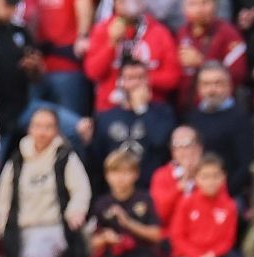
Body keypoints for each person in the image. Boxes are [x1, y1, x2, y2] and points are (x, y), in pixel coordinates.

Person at [0, 108, 91, 257]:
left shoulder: (65, 157)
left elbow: (81, 189)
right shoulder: (16, 160)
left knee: (37, 253)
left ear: (56, 130)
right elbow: (3, 197)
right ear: (29, 129)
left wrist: (76, 211)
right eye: (38, 126)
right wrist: (2, 224)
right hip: (21, 228)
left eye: (48, 127)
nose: (42, 132)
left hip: (53, 226)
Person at [86, 59, 175, 189]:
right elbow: (97, 161)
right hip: (116, 191)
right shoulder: (106, 117)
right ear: (120, 82)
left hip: (150, 188)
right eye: (129, 78)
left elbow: (160, 141)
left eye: (140, 78)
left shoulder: (163, 111)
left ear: (147, 81)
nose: (135, 83)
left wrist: (142, 109)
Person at [83, 0, 180, 112]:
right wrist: (111, 44)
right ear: (114, 3)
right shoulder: (102, 29)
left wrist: (140, 79)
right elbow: (93, 72)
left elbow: (173, 78)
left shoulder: (160, 32)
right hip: (110, 109)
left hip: (152, 108)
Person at [0, 0, 42, 155]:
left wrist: (34, 68)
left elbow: (37, 77)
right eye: (6, 4)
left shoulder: (19, 30)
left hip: (23, 108)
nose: (10, 10)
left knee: (74, 128)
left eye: (13, 6)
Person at [184, 62, 254, 199]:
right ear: (199, 88)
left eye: (217, 84)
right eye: (206, 84)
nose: (211, 90)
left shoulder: (240, 118)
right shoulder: (191, 118)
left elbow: (247, 165)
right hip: (195, 195)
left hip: (230, 195)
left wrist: (222, 194)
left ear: (229, 86)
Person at [175, 0, 247, 114]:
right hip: (184, 108)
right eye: (193, 4)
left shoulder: (228, 33)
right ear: (184, 9)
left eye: (205, 3)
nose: (200, 9)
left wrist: (202, 63)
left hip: (217, 109)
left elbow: (238, 74)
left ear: (215, 5)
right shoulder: (181, 33)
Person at [31, 0, 95, 117]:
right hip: (39, 68)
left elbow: (84, 5)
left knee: (71, 123)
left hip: (67, 65)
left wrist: (83, 35)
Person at [150, 125, 202, 223]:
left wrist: (199, 177)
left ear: (199, 147)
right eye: (177, 145)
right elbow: (160, 214)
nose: (182, 150)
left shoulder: (210, 172)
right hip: (172, 233)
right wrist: (179, 188)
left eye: (187, 144)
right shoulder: (161, 175)